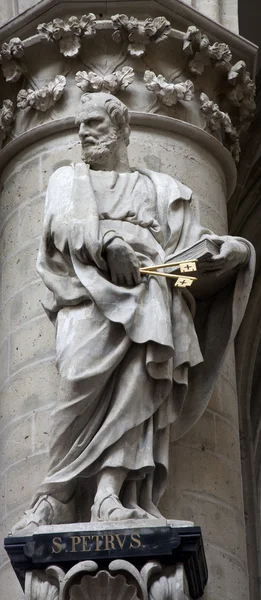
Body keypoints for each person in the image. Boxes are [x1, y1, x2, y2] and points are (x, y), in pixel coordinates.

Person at [11, 92, 254, 533]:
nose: (83, 133)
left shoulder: (162, 190)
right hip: (88, 296)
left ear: (122, 130)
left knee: (138, 390)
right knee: (77, 389)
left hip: (152, 294)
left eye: (95, 124)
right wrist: (108, 244)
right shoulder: (70, 178)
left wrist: (230, 252)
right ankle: (56, 491)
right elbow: (59, 227)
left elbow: (183, 263)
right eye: (80, 125)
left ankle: (108, 493)